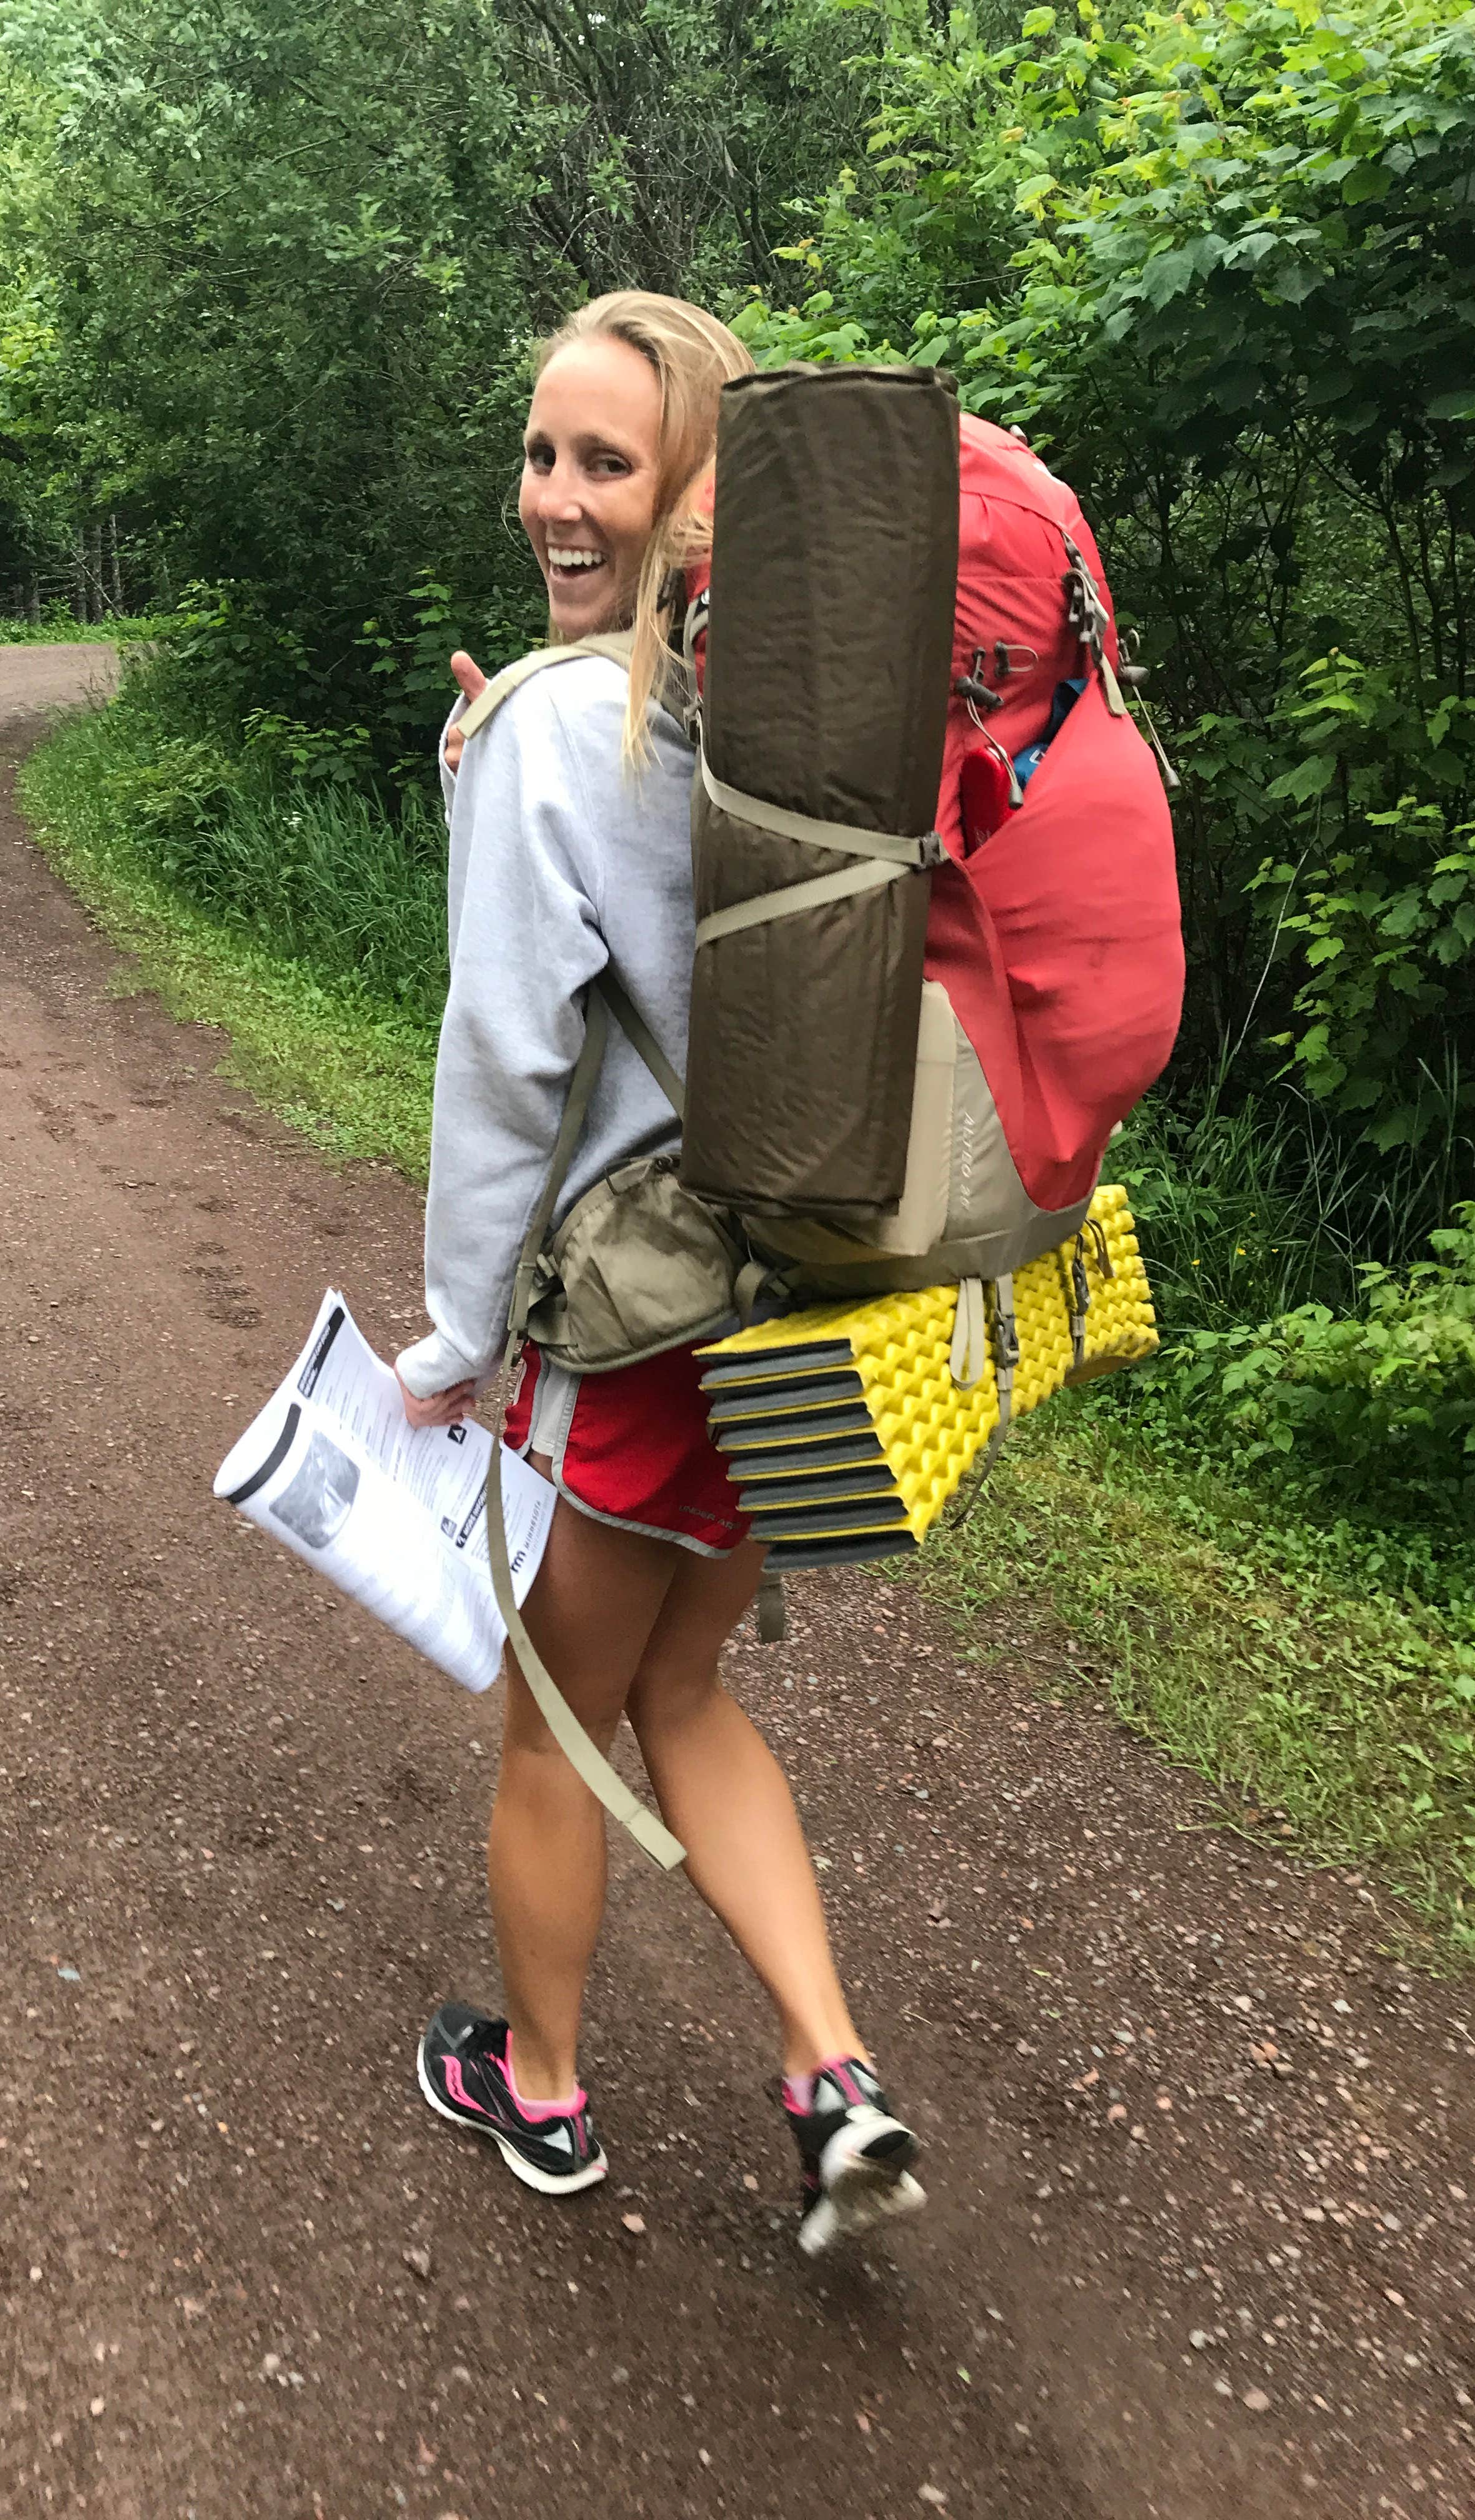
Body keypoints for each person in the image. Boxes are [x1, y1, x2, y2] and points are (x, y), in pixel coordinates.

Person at [392, 291, 923, 2258]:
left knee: (558, 1727)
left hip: (627, 1332)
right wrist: (502, 743)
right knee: (687, 1690)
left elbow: (514, 1057)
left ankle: (536, 2092)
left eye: (604, 460)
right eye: (542, 451)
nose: (555, 494)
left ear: (697, 487)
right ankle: (829, 2074)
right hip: (794, 1306)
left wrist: (455, 1335)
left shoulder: (558, 730)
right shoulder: (768, 720)